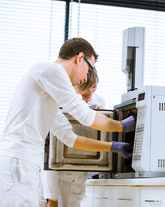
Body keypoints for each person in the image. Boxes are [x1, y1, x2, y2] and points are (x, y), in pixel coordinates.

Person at [0, 38, 135, 206]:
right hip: (19, 160)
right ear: (79, 58)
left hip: (23, 162)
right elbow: (83, 114)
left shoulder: (47, 93)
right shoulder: (51, 71)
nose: (86, 77)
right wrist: (121, 126)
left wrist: (113, 146)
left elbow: (70, 138)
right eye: (89, 69)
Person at [43, 69, 105, 207]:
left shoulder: (97, 102)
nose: (89, 93)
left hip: (77, 172)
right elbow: (48, 155)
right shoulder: (57, 104)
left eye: (93, 87)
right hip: (53, 173)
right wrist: (52, 198)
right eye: (84, 89)